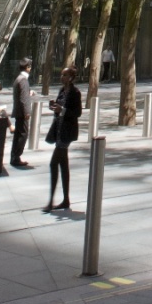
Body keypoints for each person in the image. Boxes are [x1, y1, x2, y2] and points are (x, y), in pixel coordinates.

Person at [45, 65, 83, 210]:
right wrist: (55, 108)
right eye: (61, 75)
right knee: (63, 165)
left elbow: (78, 113)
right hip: (59, 130)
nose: (62, 77)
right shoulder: (62, 91)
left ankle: (51, 201)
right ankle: (66, 199)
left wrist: (63, 110)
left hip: (67, 132)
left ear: (71, 77)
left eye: (65, 75)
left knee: (53, 163)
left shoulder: (75, 92)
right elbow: (59, 109)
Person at [11, 57, 33, 169]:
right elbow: (23, 98)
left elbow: (22, 95)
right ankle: (16, 157)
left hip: (18, 112)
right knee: (22, 135)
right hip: (22, 113)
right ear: (28, 67)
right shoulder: (23, 80)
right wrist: (27, 112)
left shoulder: (18, 79)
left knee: (18, 134)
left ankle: (14, 156)